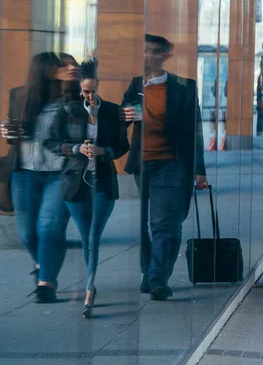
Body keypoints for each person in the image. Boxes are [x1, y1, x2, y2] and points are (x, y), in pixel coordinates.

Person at [121, 34, 209, 301]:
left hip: (172, 164)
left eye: (149, 51)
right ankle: (148, 271)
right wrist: (122, 115)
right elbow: (122, 120)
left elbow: (195, 131)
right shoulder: (136, 84)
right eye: (142, 51)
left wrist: (199, 169)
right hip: (142, 164)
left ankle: (158, 278)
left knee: (163, 222)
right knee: (148, 224)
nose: (144, 56)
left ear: (163, 56)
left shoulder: (183, 87)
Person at [44, 59, 129, 317]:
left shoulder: (113, 112)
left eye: (92, 90)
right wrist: (75, 148)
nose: (89, 96)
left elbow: (123, 146)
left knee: (93, 237)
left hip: (103, 182)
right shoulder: (68, 110)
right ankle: (91, 281)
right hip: (75, 186)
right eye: (85, 91)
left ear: (99, 86)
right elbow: (50, 142)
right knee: (86, 239)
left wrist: (105, 151)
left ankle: (89, 289)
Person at [1, 52, 76, 303]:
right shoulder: (19, 95)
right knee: (27, 234)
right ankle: (41, 263)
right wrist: (6, 130)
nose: (67, 68)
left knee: (48, 229)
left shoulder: (72, 97)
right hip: (24, 173)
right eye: (61, 65)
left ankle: (47, 283)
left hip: (59, 172)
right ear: (45, 69)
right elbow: (14, 134)